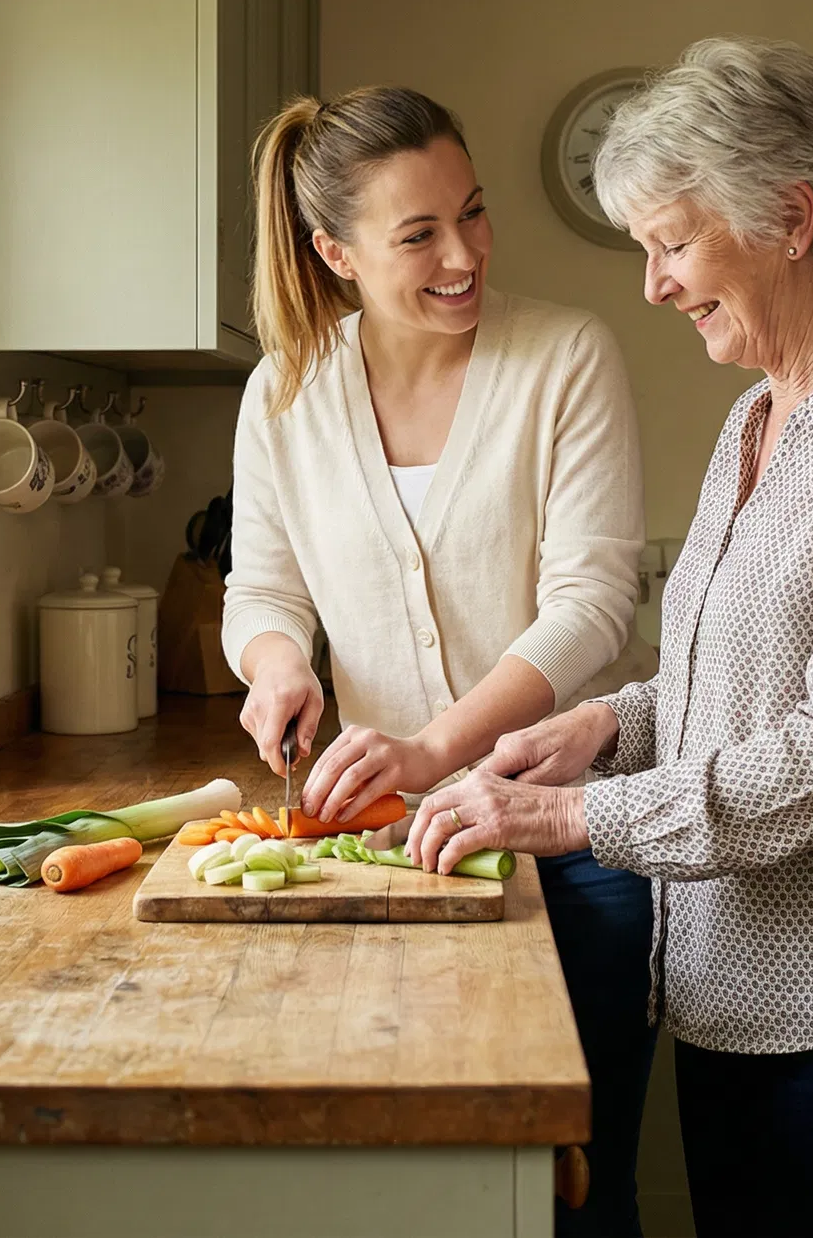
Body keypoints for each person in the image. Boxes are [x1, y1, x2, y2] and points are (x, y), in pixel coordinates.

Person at [409, 38, 813, 1238]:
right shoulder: (758, 415)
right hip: (736, 996)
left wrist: (573, 818)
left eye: (672, 243)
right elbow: (723, 676)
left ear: (790, 218)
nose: (654, 284)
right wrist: (600, 726)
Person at [223, 86, 659, 1237]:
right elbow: (261, 592)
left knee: (578, 1183)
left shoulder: (564, 354)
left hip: (581, 842)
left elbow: (592, 605)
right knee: (408, 1181)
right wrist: (278, 669)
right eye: (419, 234)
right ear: (336, 253)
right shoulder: (283, 395)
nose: (463, 254)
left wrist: (435, 747)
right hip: (391, 852)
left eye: (472, 213)